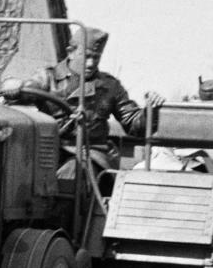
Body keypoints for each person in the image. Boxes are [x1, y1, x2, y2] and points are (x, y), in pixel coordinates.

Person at [36, 25, 163, 179]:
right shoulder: (46, 78)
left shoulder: (110, 86)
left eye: (96, 57)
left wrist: (151, 110)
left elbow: (133, 124)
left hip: (90, 153)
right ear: (71, 52)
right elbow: (24, 92)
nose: (91, 63)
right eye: (87, 56)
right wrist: (13, 88)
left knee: (74, 171)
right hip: (47, 150)